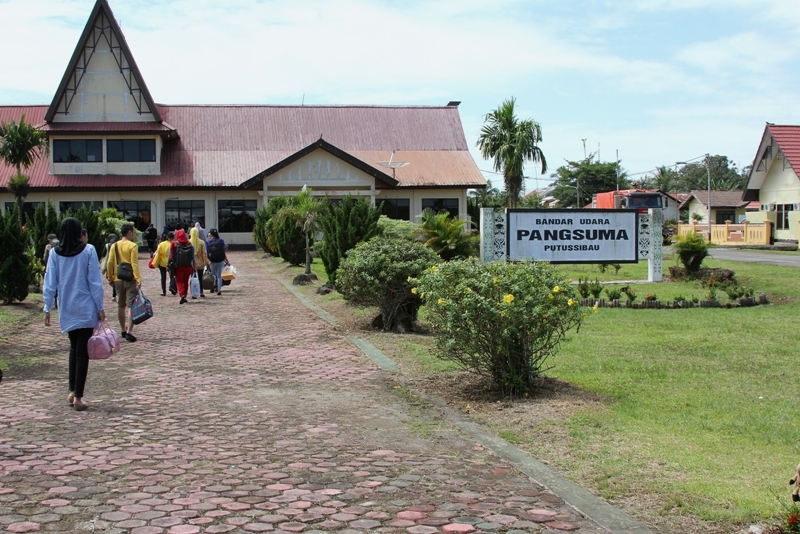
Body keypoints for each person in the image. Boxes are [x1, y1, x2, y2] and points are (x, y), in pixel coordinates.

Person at [42, 218, 105, 412]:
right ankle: (78, 396)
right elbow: (94, 281)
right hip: (85, 307)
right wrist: (100, 306)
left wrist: (47, 306)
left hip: (67, 307)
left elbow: (50, 281)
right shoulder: (88, 250)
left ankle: (72, 391)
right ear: (79, 231)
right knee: (81, 351)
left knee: (73, 348)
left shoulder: (54, 253)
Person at [106, 223, 142, 342]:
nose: (135, 234)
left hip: (118, 277)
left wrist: (110, 276)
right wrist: (138, 278)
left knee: (121, 305)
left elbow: (110, 262)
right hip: (130, 278)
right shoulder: (132, 246)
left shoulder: (114, 245)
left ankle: (122, 329)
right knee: (131, 304)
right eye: (133, 231)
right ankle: (129, 331)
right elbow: (134, 263)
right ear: (129, 232)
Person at [170, 228, 194, 304]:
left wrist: (169, 263)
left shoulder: (174, 243)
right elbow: (192, 256)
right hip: (188, 266)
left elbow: (171, 255)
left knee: (179, 280)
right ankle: (185, 294)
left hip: (178, 265)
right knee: (185, 280)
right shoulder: (190, 244)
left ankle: (182, 294)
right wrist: (194, 264)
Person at [206, 229, 229, 296]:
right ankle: (219, 290)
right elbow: (223, 252)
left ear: (211, 234)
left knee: (213, 275)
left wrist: (208, 260)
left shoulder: (208, 242)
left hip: (212, 261)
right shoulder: (221, 241)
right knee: (219, 276)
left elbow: (207, 252)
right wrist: (227, 261)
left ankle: (213, 285)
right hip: (220, 261)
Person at [189, 227, 209, 298]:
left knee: (193, 278)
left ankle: (193, 293)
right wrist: (207, 262)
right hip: (200, 263)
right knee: (200, 278)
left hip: (191, 264)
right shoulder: (201, 242)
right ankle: (201, 292)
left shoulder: (189, 242)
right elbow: (204, 254)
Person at [152, 232, 173, 296]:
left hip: (162, 263)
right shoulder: (172, 244)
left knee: (163, 277)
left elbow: (158, 255)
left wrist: (155, 263)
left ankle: (164, 291)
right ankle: (172, 288)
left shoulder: (161, 244)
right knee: (172, 276)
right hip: (170, 262)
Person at [100, 234, 118, 302]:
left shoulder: (107, 245)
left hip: (109, 265)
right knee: (115, 280)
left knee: (112, 280)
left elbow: (103, 254)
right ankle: (115, 294)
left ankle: (114, 294)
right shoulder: (117, 245)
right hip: (116, 265)